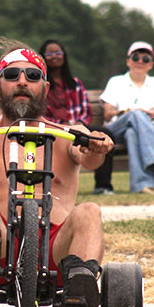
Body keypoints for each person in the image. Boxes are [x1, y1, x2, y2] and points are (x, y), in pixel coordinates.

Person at [0, 47, 114, 307]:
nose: (23, 81)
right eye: (12, 75)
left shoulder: (68, 134)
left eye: (33, 75)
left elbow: (88, 157)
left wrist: (95, 145)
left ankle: (80, 287)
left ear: (45, 87)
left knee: (90, 211)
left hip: (57, 249)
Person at [99, 41, 154, 194]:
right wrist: (126, 112)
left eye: (145, 59)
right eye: (136, 57)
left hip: (145, 135)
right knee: (136, 114)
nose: (140, 62)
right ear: (128, 61)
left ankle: (142, 185)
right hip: (116, 130)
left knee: (133, 133)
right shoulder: (116, 82)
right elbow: (107, 113)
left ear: (151, 64)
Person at [39, 39, 116, 195]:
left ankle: (103, 186)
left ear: (64, 56)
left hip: (77, 128)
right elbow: (40, 113)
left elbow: (86, 111)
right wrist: (60, 125)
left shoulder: (75, 84)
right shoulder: (41, 85)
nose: (54, 56)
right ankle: (50, 188)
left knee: (104, 135)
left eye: (58, 52)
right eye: (50, 53)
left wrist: (79, 124)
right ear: (43, 57)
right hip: (52, 129)